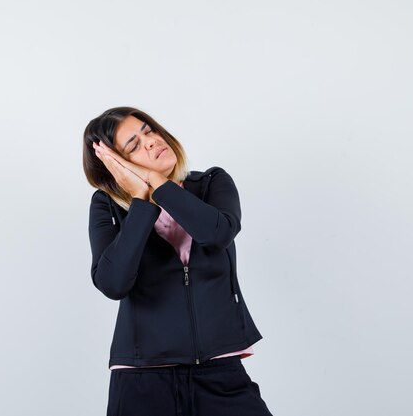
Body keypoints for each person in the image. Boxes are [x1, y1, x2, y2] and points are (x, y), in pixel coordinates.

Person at [82, 106, 274, 416]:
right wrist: (140, 204)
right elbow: (113, 283)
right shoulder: (107, 205)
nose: (151, 141)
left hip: (220, 372)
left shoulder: (211, 183)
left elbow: (216, 233)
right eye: (133, 145)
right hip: (141, 378)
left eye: (149, 131)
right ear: (116, 165)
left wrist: (157, 185)